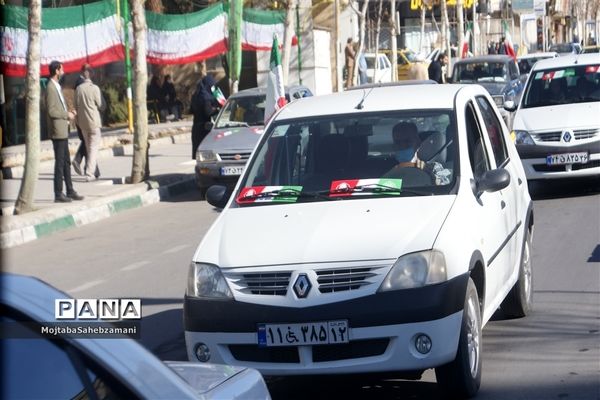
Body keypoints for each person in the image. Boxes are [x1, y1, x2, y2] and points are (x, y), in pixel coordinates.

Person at [45, 61, 84, 203]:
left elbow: (59, 107)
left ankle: (70, 190)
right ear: (56, 70)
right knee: (60, 162)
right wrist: (66, 115)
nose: (64, 71)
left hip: (63, 129)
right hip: (57, 131)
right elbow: (51, 110)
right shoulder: (50, 87)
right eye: (62, 69)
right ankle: (58, 193)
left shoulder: (57, 87)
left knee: (66, 161)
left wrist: (69, 111)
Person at [74, 66, 105, 182]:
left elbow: (76, 106)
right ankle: (90, 173)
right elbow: (101, 105)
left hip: (83, 124)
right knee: (93, 149)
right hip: (94, 122)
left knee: (88, 147)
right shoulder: (94, 88)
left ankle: (89, 170)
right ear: (91, 74)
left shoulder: (78, 89)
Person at [190, 74, 220, 159]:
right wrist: (217, 109)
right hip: (204, 129)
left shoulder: (196, 95)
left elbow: (191, 110)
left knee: (199, 154)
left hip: (196, 127)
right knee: (205, 155)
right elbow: (208, 112)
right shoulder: (206, 98)